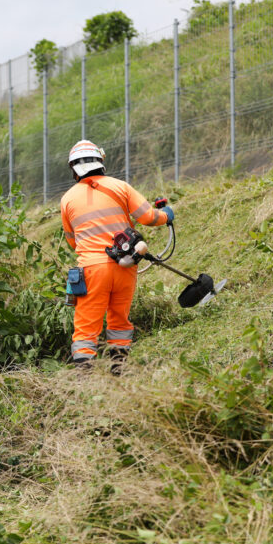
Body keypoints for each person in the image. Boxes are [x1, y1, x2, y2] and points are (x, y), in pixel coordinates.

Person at [59, 140, 175, 374]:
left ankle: (84, 377)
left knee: (86, 326)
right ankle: (119, 369)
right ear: (100, 162)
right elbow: (149, 217)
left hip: (91, 271)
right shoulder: (120, 186)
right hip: (125, 266)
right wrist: (167, 214)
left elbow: (73, 242)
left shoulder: (67, 200)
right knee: (119, 319)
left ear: (73, 168)